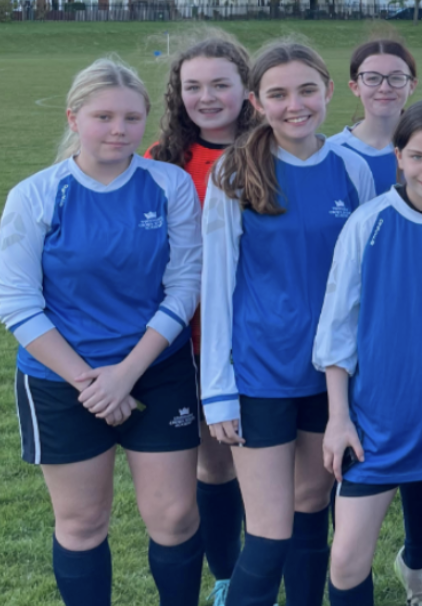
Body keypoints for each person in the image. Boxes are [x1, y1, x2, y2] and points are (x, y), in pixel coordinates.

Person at [0, 56, 204, 606]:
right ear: (74, 118)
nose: (119, 130)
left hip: (155, 371)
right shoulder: (36, 194)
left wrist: (126, 375)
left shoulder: (169, 184)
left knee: (176, 516)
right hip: (61, 380)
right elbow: (17, 304)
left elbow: (183, 287)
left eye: (132, 118)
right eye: (103, 116)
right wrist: (92, 382)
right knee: (83, 521)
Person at [200, 41, 376, 606]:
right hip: (260, 375)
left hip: (331, 378)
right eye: (277, 94)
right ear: (256, 101)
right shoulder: (235, 170)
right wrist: (218, 391)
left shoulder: (354, 169)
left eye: (306, 90)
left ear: (328, 91)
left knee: (311, 511)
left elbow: (362, 285)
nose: (294, 105)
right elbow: (217, 286)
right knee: (269, 534)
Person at [316, 99, 422, 606]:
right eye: (417, 156)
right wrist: (338, 417)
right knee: (347, 558)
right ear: (397, 156)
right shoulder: (367, 223)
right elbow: (336, 330)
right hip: (374, 422)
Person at [145, 31, 257, 606]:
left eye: (220, 84)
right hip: (188, 344)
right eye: (193, 86)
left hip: (263, 342)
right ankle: (227, 577)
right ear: (177, 91)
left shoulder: (275, 148)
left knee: (286, 478)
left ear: (246, 88)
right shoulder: (160, 162)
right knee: (215, 467)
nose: (207, 97)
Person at [327, 39, 417, 196]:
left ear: (412, 86)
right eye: (372, 78)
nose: (385, 88)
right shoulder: (331, 153)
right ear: (355, 87)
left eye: (396, 78)